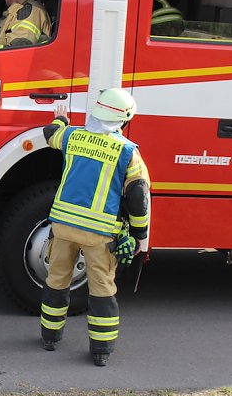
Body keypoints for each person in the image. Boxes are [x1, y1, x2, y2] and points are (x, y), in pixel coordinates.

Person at [39, 88, 151, 367]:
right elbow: (138, 195)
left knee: (56, 280)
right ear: (124, 119)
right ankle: (101, 351)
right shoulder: (127, 151)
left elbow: (49, 133)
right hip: (99, 234)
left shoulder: (73, 137)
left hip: (63, 226)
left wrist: (62, 120)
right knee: (102, 289)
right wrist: (139, 235)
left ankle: (50, 337)